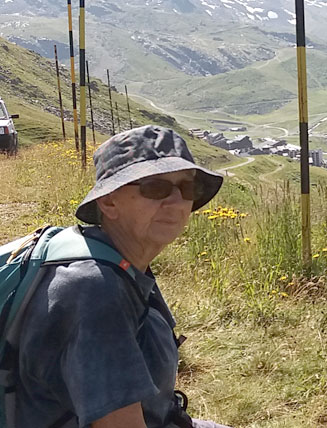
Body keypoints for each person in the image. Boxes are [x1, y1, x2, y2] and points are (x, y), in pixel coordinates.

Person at [15, 125, 232, 428]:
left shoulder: (122, 260)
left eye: (186, 188)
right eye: (155, 188)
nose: (176, 202)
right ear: (109, 203)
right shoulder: (94, 290)